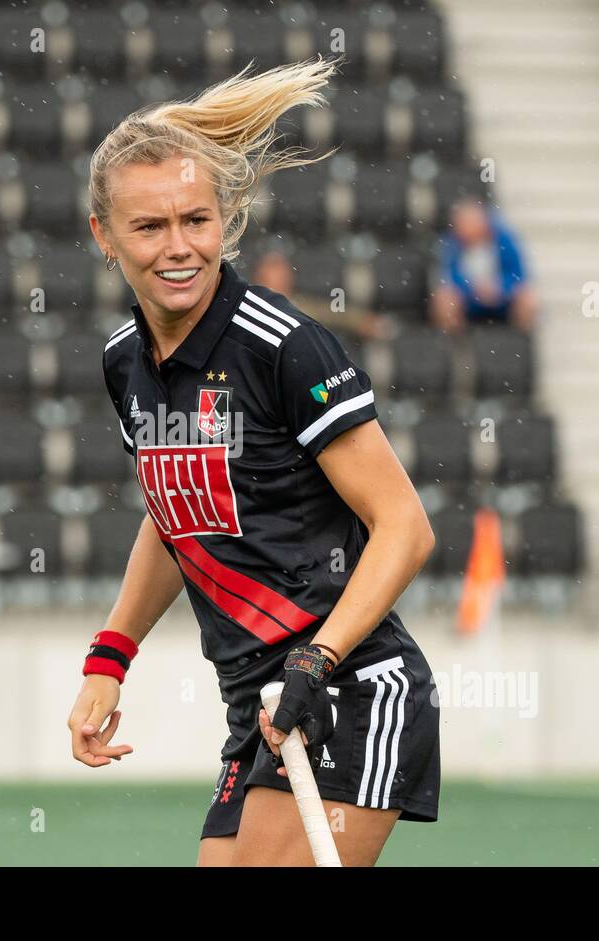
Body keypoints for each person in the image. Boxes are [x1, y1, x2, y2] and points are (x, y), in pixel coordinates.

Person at [68, 58, 440, 867]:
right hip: (259, 708)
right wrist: (111, 654)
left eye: (197, 221)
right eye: (150, 227)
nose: (180, 248)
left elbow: (404, 528)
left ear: (225, 221)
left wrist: (318, 657)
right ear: (104, 235)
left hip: (350, 686)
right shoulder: (124, 360)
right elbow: (178, 520)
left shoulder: (284, 348)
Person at [429, 198, 538, 333]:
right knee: (444, 300)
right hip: (467, 300)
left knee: (528, 298)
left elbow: (518, 274)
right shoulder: (451, 246)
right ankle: (456, 345)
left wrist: (500, 287)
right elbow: (447, 276)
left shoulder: (504, 240)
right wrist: (472, 289)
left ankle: (519, 343)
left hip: (502, 299)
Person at [252, 249, 393, 341]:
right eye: (272, 271)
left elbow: (333, 313)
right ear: (259, 275)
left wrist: (362, 320)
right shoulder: (248, 305)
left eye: (283, 272)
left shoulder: (300, 305)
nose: (281, 277)